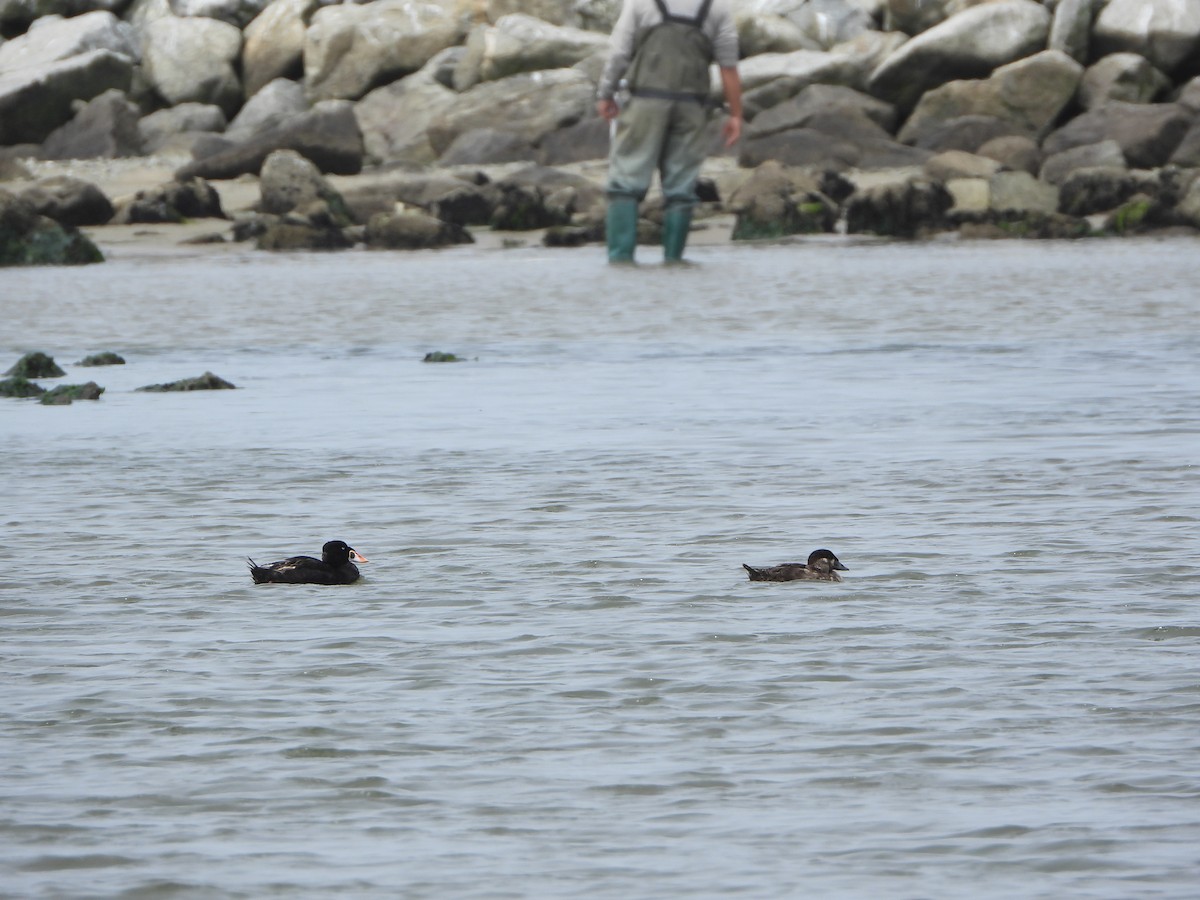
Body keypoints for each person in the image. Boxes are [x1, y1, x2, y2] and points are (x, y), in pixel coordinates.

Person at [596, 0, 742, 264]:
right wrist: (735, 114)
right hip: (692, 109)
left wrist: (606, 94)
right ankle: (674, 261)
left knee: (625, 185)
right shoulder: (716, 8)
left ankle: (621, 261)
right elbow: (728, 67)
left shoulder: (640, 3)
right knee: (681, 189)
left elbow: (619, 53)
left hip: (644, 104)